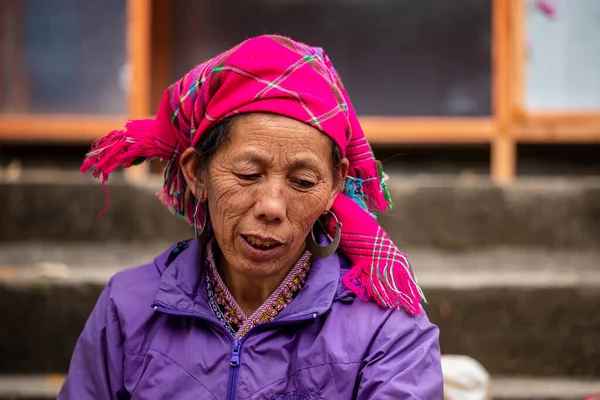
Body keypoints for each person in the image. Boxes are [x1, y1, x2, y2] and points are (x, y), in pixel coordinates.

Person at [58, 35, 443, 399]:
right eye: (248, 174)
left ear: (334, 185)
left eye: (303, 181)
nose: (272, 207)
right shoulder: (127, 308)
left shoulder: (386, 332)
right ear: (196, 173)